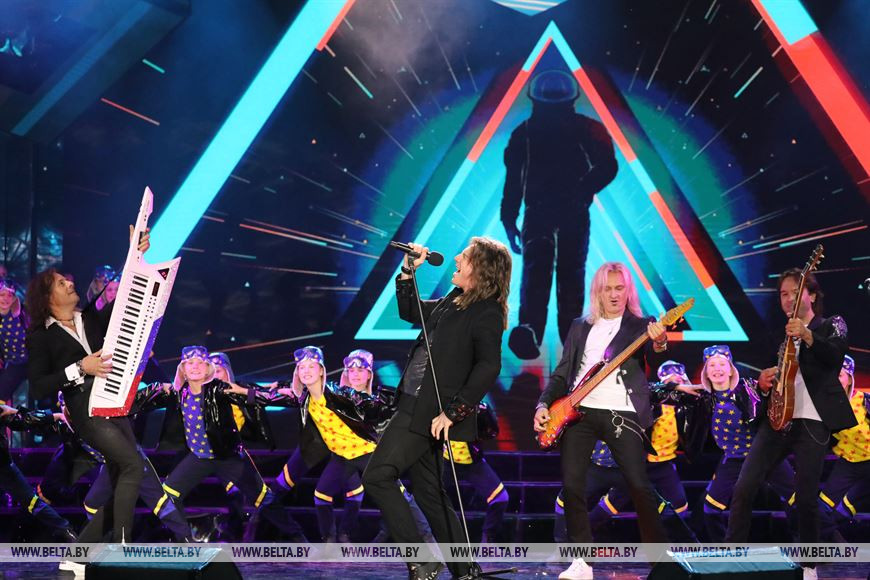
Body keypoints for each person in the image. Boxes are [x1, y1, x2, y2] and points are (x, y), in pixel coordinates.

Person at [362, 237, 512, 580]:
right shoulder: (455, 299)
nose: (456, 258)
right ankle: (464, 568)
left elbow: (488, 366)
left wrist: (454, 412)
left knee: (377, 476)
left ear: (482, 269)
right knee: (429, 492)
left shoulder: (486, 311)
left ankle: (422, 560)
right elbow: (411, 312)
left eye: (465, 256)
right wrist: (408, 271)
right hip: (414, 402)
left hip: (426, 410)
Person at [533, 261, 669, 580]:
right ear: (598, 292)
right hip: (580, 411)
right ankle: (582, 562)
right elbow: (563, 373)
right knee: (573, 485)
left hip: (622, 413)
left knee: (638, 485)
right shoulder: (581, 326)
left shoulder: (642, 324)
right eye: (608, 289)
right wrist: (543, 403)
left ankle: (661, 563)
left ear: (628, 291)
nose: (614, 294)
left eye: (620, 288)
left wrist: (660, 341)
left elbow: (657, 354)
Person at [25, 226, 150, 559]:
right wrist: (80, 367)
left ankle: (78, 554)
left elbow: (126, 298)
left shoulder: (90, 318)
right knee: (132, 466)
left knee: (125, 473)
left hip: (114, 401)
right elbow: (38, 385)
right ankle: (122, 549)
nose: (70, 283)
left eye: (67, 280)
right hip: (86, 410)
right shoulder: (40, 336)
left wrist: (135, 256)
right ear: (48, 298)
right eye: (60, 283)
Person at [725, 269, 854, 580]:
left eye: (795, 292)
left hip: (813, 421)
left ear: (812, 295)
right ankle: (731, 559)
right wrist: (763, 383)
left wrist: (807, 335)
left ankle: (809, 566)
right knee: (744, 487)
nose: (788, 299)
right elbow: (772, 377)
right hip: (778, 421)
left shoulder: (831, 324)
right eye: (783, 294)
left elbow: (835, 355)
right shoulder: (781, 335)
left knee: (806, 496)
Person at [502, 69, 618, 360]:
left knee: (557, 272)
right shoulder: (529, 133)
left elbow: (608, 166)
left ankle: (558, 333)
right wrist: (509, 217)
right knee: (556, 272)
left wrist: (509, 219)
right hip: (550, 212)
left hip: (559, 212)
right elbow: (514, 179)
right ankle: (541, 332)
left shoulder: (526, 132)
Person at [134, 345, 305, 540]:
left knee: (263, 499)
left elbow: (258, 396)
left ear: (208, 368)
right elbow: (144, 397)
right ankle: (185, 540)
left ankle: (299, 537)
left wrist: (292, 395)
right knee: (168, 496)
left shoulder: (219, 389)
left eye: (200, 363)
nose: (195, 367)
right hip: (199, 457)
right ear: (183, 369)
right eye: (190, 363)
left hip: (228, 457)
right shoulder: (177, 392)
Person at [695, 345, 796, 541]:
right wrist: (678, 386)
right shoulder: (703, 398)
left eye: (722, 364)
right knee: (710, 508)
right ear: (705, 372)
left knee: (797, 499)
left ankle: (806, 543)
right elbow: (658, 391)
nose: (717, 369)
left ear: (731, 369)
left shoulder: (748, 388)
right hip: (734, 459)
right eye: (712, 365)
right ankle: (727, 550)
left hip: (764, 455)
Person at [0, 402, 76, 541]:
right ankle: (66, 531)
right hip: (5, 466)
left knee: (32, 502)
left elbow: (22, 421)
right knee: (32, 502)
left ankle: (67, 532)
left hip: (4, 467)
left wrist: (55, 416)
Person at [441, 401, 508, 543]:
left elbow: (493, 432)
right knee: (427, 499)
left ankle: (488, 543)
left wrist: (482, 419)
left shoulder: (479, 407)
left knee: (500, 497)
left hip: (472, 463)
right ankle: (428, 542)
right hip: (445, 463)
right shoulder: (441, 403)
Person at [817, 355, 869, 540]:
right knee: (821, 509)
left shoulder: (864, 401)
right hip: (847, 464)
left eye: (838, 375)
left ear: (849, 379)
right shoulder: (823, 406)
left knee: (844, 509)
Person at [0, 279, 28, 405]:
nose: (6, 299)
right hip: (11, 363)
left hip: (27, 360)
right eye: (2, 294)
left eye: (10, 295)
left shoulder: (16, 312)